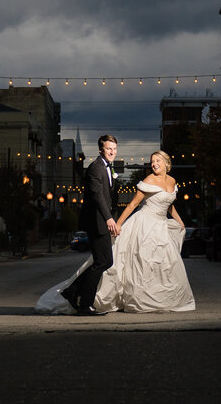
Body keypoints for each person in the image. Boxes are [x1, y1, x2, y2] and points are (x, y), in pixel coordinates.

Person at [36, 149, 195, 315]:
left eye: (157, 161)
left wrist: (180, 221)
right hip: (144, 225)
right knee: (143, 261)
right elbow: (132, 205)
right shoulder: (149, 180)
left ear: (166, 163)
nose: (154, 164)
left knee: (164, 264)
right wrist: (118, 224)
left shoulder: (172, 181)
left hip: (161, 225)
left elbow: (170, 205)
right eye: (152, 161)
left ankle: (162, 298)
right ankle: (129, 298)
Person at [57, 134, 119, 316]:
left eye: (114, 149)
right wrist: (109, 218)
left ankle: (73, 291)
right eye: (109, 149)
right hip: (96, 221)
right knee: (103, 261)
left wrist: (113, 218)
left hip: (103, 220)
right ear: (101, 149)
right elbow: (97, 196)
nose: (112, 152)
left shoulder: (108, 168)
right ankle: (84, 303)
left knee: (104, 261)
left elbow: (109, 198)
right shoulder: (95, 168)